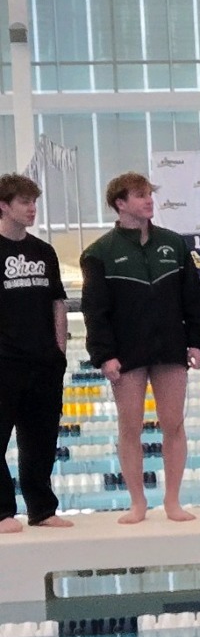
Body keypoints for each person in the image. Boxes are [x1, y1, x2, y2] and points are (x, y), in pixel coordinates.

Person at [81, 172, 200, 524]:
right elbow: (95, 311)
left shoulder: (174, 244)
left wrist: (197, 340)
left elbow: (192, 298)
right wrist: (105, 355)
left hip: (170, 347)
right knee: (130, 427)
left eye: (149, 194)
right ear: (120, 203)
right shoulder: (100, 253)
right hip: (127, 352)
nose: (148, 200)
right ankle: (138, 502)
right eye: (140, 195)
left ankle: (172, 501)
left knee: (174, 424)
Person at [0, 175, 70, 532]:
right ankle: (1, 512)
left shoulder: (44, 251)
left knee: (41, 441)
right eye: (24, 202)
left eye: (34, 202)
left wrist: (59, 351)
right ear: (3, 206)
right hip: (4, 363)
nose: (32, 209)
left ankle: (41, 509)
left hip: (44, 362)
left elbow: (58, 302)